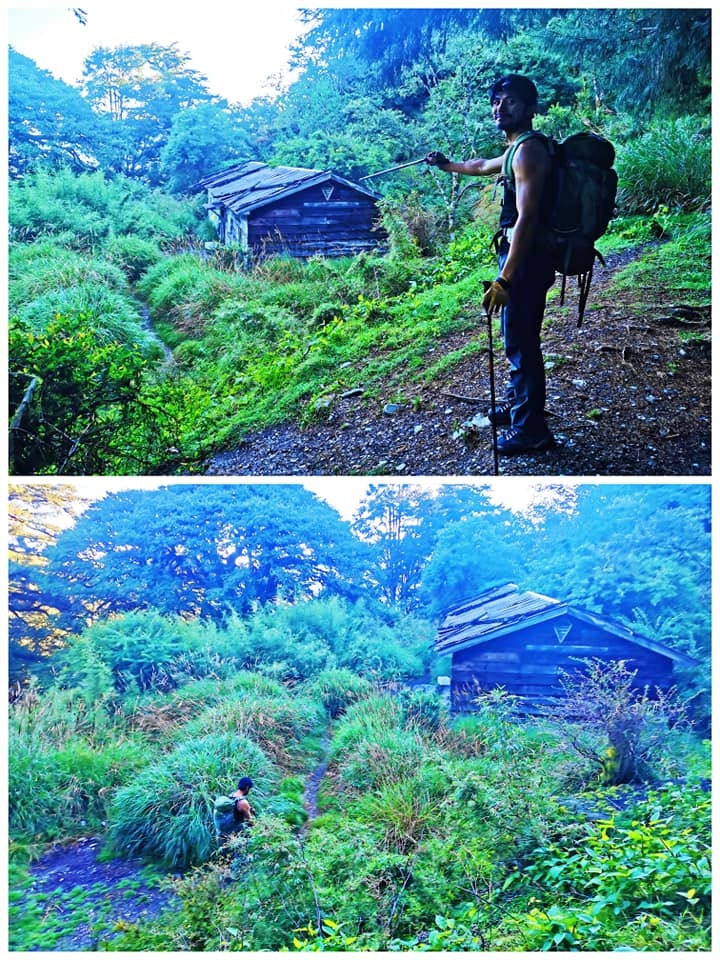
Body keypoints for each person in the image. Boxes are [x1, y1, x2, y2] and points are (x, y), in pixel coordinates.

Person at [427, 74, 556, 455]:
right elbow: (483, 165)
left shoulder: (529, 151)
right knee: (515, 337)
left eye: (510, 101)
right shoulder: (517, 149)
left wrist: (506, 278)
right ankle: (520, 406)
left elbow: (527, 218)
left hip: (526, 259)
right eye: (496, 101)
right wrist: (447, 165)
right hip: (522, 257)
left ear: (531, 108)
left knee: (521, 342)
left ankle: (531, 430)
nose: (500, 108)